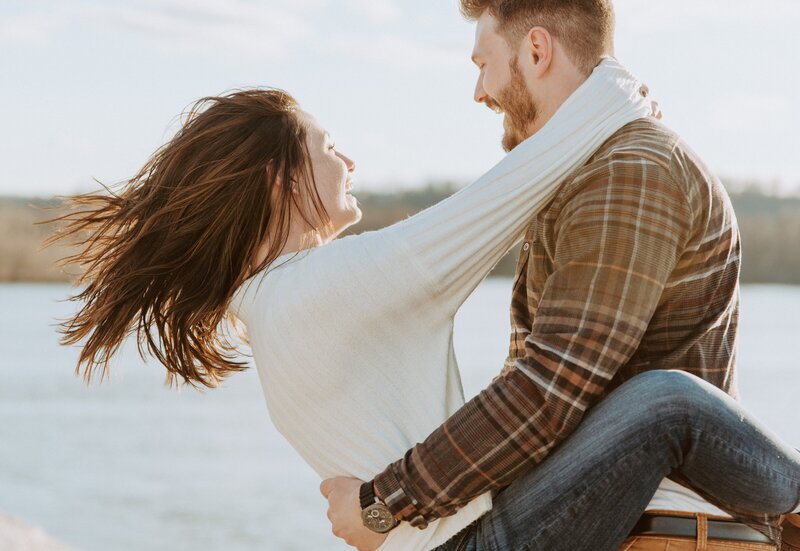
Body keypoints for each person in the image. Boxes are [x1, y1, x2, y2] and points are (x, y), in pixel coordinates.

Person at [51, 45, 797, 551]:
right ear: (283, 179)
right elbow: (496, 202)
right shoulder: (322, 290)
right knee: (667, 402)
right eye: (327, 143)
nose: (348, 157)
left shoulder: (278, 306)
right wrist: (615, 98)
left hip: (462, 534)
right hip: (476, 542)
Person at [319, 1, 800, 550]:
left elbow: (549, 387)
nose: (479, 91)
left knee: (663, 401)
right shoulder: (585, 174)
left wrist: (385, 502)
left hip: (661, 533)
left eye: (483, 64)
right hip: (612, 525)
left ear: (537, 51)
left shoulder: (630, 170)